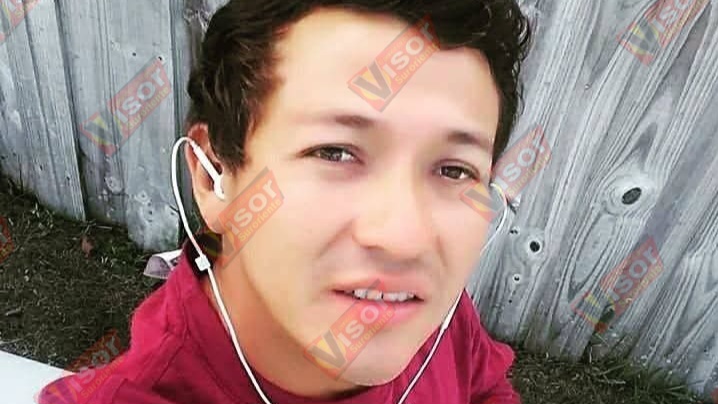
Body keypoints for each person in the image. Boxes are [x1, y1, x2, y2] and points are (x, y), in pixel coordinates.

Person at [39, 0, 531, 403]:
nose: (408, 240)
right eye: (334, 152)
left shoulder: (423, 310)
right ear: (213, 177)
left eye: (453, 170)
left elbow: (483, 384)